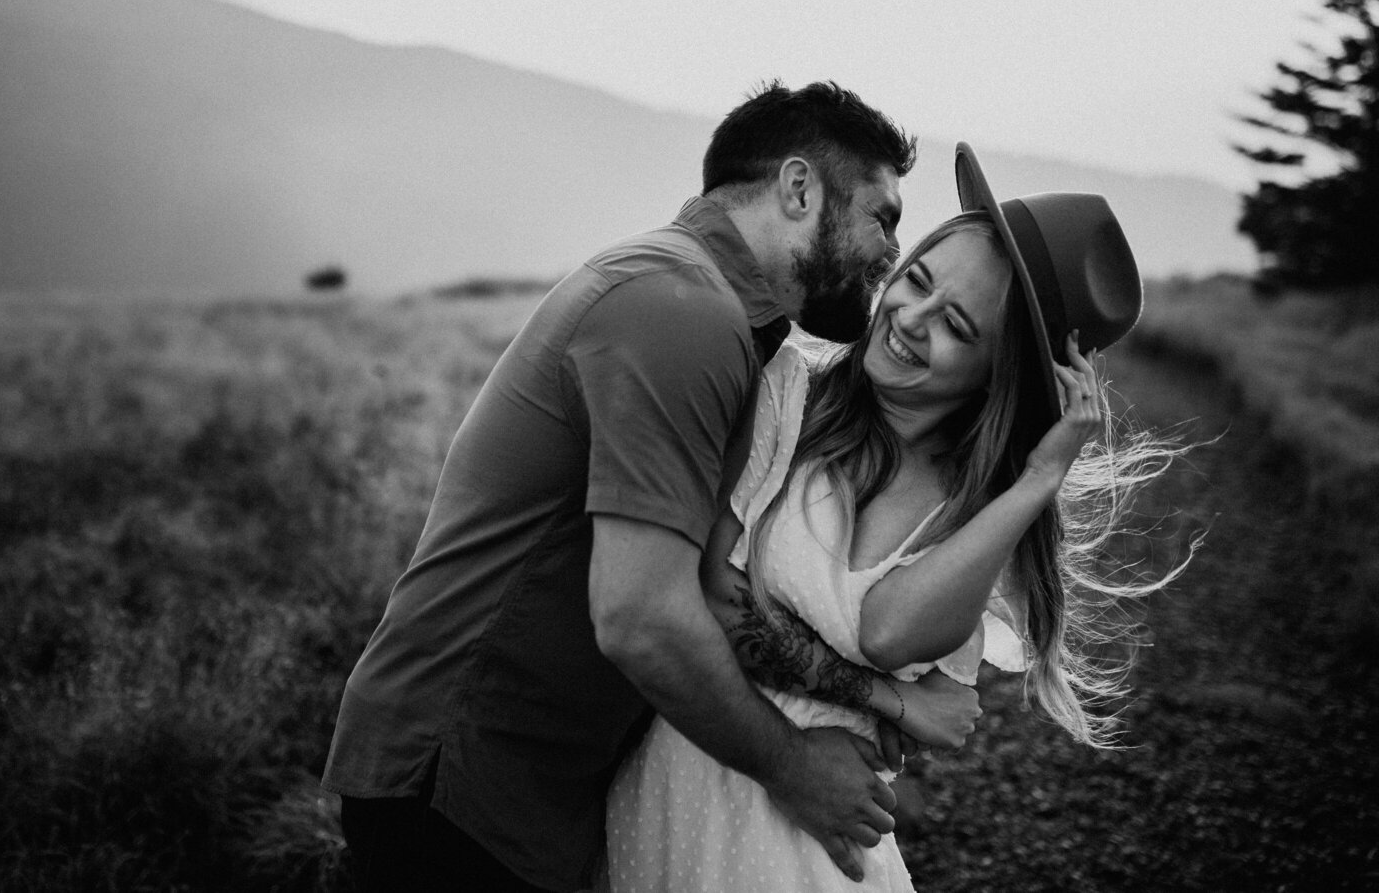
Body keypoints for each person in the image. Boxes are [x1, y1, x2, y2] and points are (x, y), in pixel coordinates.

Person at [321, 81, 981, 893]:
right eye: (884, 217)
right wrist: (793, 766)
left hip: (511, 790)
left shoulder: (719, 316)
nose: (891, 255)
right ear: (800, 188)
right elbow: (641, 615)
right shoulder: (682, 309)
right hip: (458, 783)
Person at [602, 144, 1192, 891]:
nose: (909, 318)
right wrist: (892, 699)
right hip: (688, 774)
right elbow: (711, 599)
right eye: (915, 280)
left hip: (820, 841)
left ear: (995, 373)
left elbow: (887, 629)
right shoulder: (788, 396)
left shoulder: (972, 516)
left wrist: (1038, 479)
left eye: (956, 325)